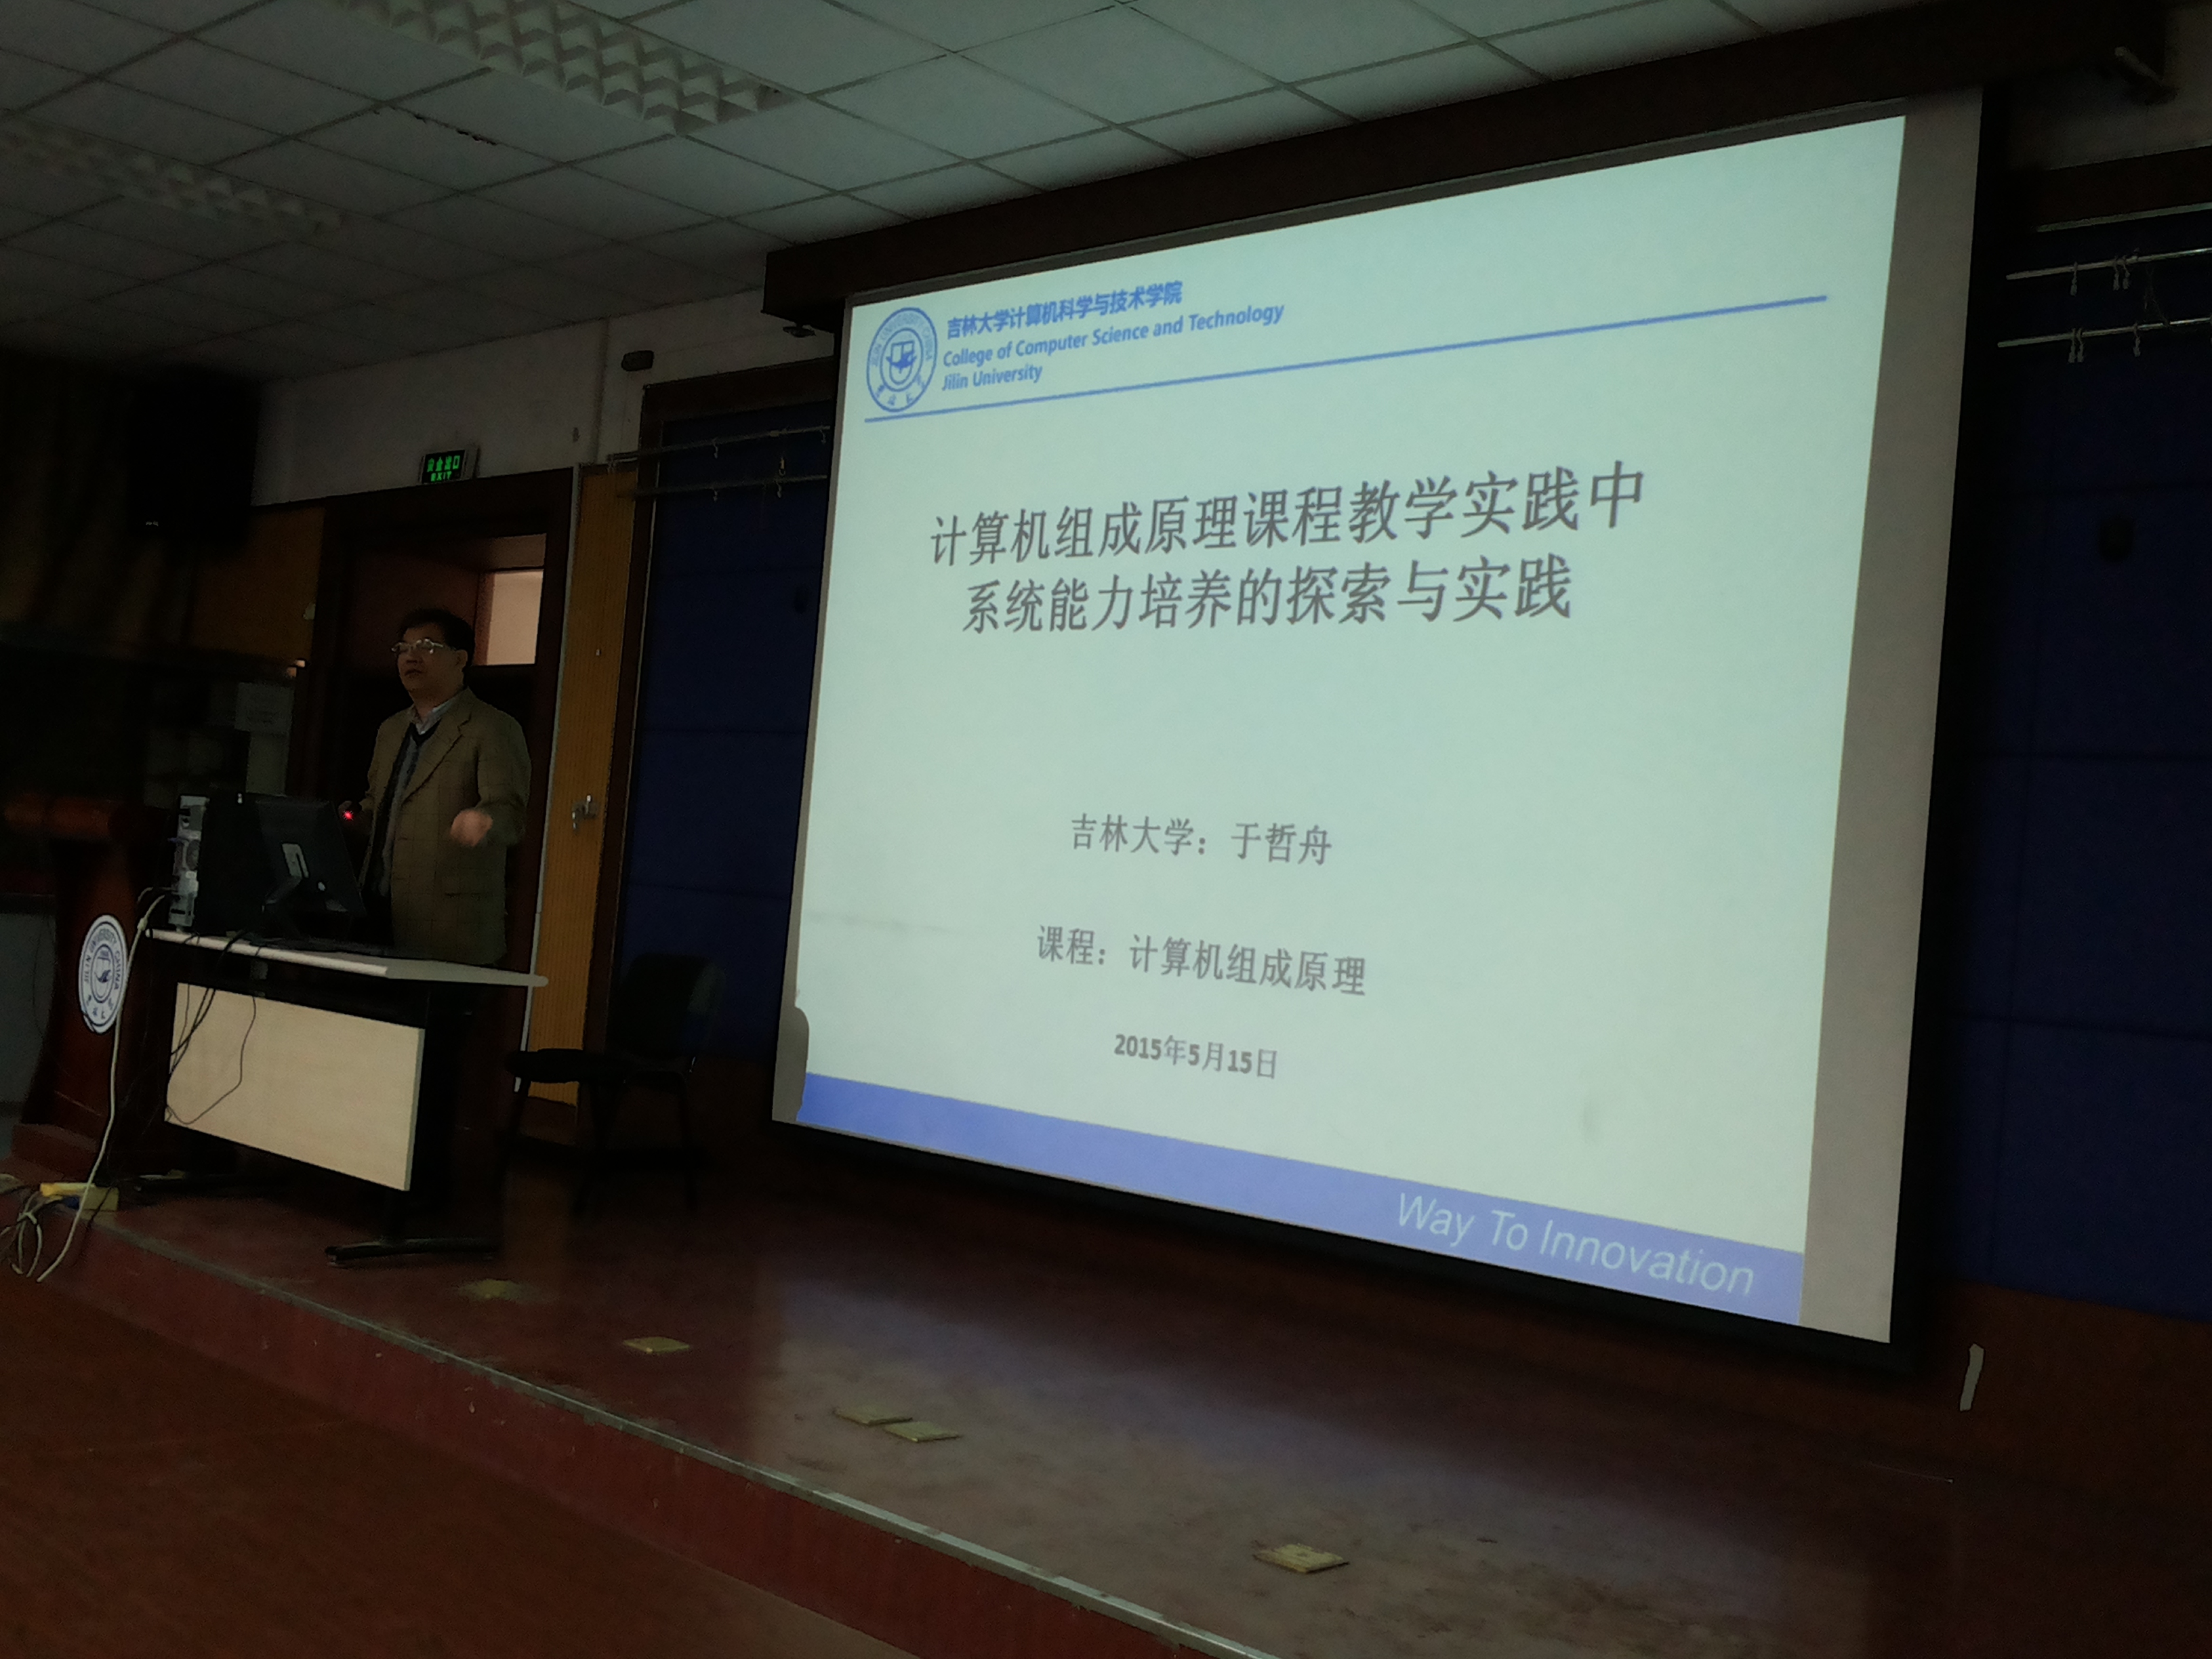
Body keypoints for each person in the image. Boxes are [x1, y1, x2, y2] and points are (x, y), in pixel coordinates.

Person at [358, 607, 530, 967]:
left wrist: (484, 821)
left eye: (426, 646)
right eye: (403, 649)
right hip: (378, 913)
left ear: (460, 659)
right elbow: (376, 807)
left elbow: (512, 812)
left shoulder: (492, 728)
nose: (411, 657)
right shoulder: (391, 730)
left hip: (452, 928)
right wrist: (349, 820)